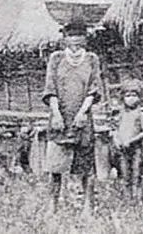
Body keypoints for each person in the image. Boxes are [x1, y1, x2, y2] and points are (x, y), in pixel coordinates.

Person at [41, 22, 101, 213]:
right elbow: (50, 88)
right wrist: (56, 114)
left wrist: (83, 112)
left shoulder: (92, 59)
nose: (75, 39)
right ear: (64, 38)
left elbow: (93, 88)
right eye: (71, 35)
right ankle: (52, 205)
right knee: (55, 165)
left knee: (86, 165)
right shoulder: (56, 58)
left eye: (79, 35)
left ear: (85, 38)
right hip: (60, 117)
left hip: (82, 118)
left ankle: (88, 207)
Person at [112, 79, 143, 201]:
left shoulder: (141, 113)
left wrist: (132, 141)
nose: (131, 99)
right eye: (127, 96)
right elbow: (115, 129)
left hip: (136, 147)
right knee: (124, 173)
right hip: (122, 148)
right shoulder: (120, 112)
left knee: (136, 172)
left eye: (134, 95)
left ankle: (137, 198)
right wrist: (117, 140)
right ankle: (127, 198)